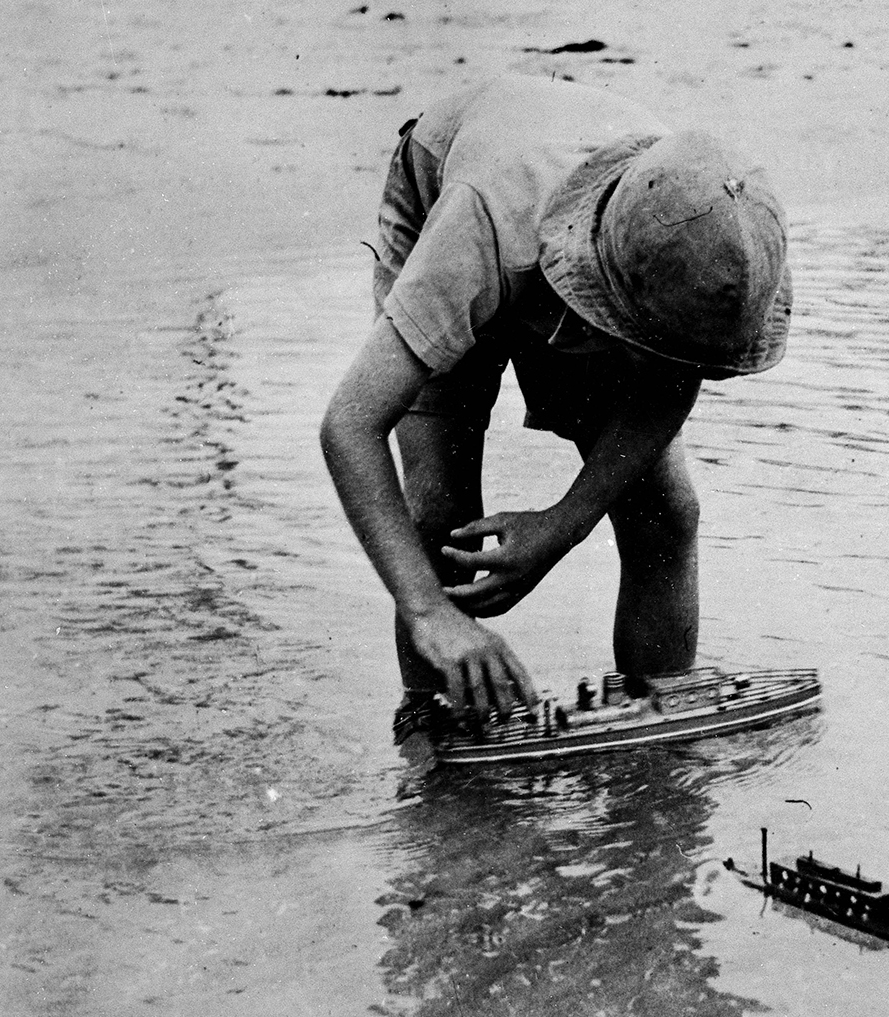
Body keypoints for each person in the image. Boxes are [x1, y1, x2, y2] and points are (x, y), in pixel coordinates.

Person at [319, 75, 791, 741]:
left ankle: (656, 746)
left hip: (590, 232)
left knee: (666, 513)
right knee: (440, 515)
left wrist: (564, 524)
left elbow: (675, 379)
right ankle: (434, 735)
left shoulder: (703, 235)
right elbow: (349, 424)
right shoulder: (484, 227)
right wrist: (429, 611)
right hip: (458, 191)